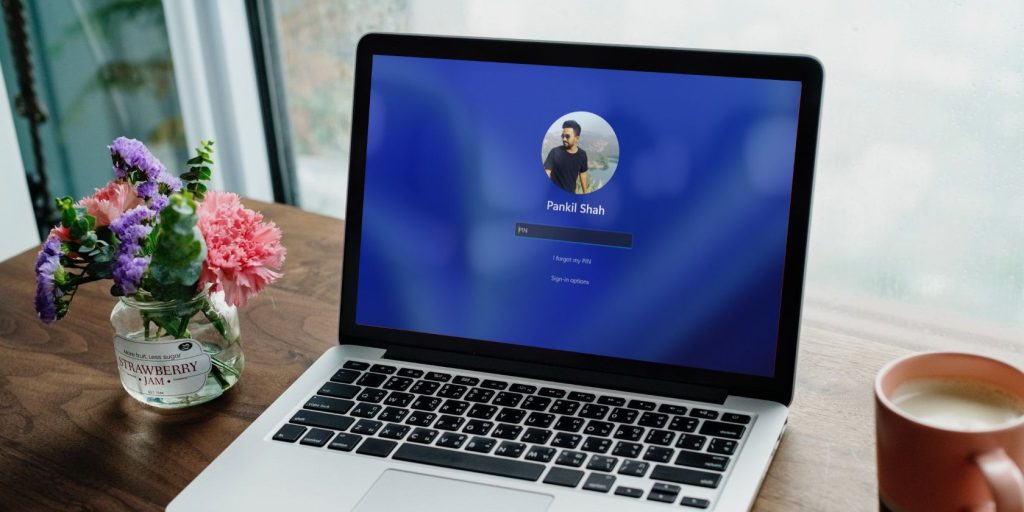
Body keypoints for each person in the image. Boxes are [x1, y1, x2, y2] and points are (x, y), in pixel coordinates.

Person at [544, 120, 589, 194]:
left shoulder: (582, 155)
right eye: (563, 136)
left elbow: (583, 174)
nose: (564, 139)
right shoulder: (555, 152)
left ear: (577, 138)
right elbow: (547, 172)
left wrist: (585, 193)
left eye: (567, 136)